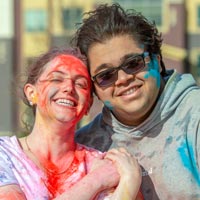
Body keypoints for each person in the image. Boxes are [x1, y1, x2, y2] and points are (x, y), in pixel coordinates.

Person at [73, 3, 200, 200]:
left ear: (157, 61)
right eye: (106, 75)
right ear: (95, 89)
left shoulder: (194, 117)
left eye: (133, 63)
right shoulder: (84, 145)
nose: (123, 79)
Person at [0, 47, 143, 199]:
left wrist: (130, 180)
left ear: (88, 104)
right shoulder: (5, 154)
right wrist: (95, 181)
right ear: (31, 93)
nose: (69, 88)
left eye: (81, 84)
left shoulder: (107, 164)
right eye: (56, 79)